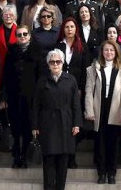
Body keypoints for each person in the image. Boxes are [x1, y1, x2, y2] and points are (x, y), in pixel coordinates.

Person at [32, 49, 82, 190]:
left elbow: (76, 104)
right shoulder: (42, 81)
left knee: (63, 160)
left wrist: (77, 124)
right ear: (48, 64)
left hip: (66, 123)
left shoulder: (70, 79)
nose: (55, 64)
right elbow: (36, 105)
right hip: (47, 123)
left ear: (63, 63)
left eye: (58, 61)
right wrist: (35, 126)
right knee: (48, 159)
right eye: (52, 62)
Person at [85, 39, 121, 185]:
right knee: (100, 143)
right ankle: (101, 172)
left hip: (115, 110)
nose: (109, 52)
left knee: (113, 143)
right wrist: (89, 110)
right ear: (101, 52)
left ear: (116, 52)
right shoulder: (93, 68)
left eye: (111, 50)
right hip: (99, 108)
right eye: (106, 50)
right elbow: (89, 90)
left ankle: (112, 173)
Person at [4, 25, 41, 168]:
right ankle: (16, 156)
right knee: (15, 127)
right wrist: (4, 96)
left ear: (30, 36)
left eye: (25, 34)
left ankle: (25, 156)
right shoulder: (12, 51)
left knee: (27, 127)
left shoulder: (36, 51)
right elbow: (7, 74)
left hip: (30, 96)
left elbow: (40, 75)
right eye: (19, 35)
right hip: (14, 95)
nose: (22, 37)